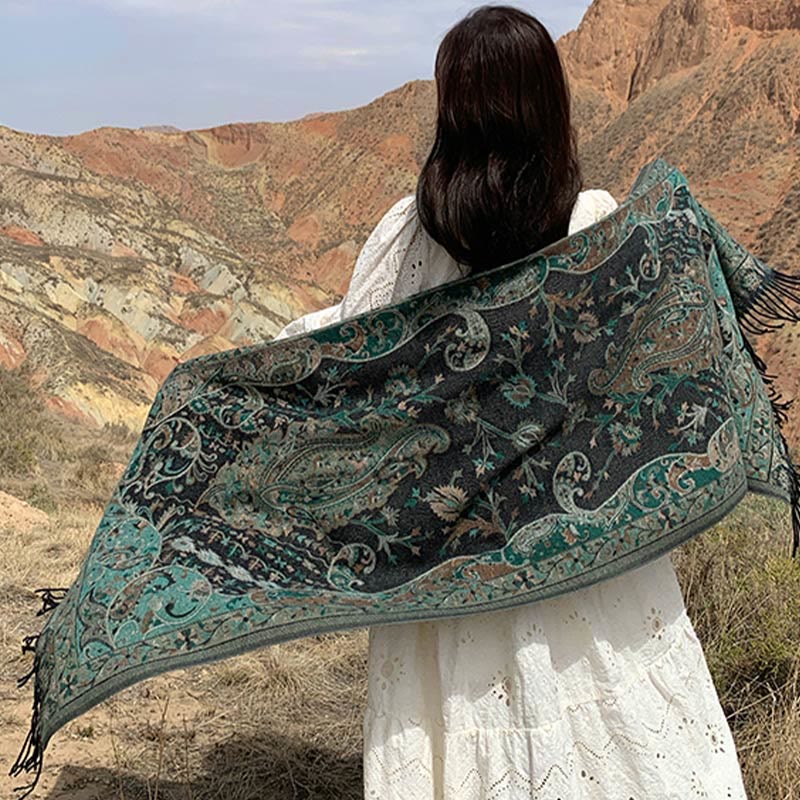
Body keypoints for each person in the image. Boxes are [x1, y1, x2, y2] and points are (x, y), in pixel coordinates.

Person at [275, 5, 749, 798]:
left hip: (440, 564)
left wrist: (254, 369)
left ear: (452, 109)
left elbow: (356, 356)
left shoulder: (409, 236)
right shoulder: (594, 229)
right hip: (583, 556)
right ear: (547, 106)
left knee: (456, 738)